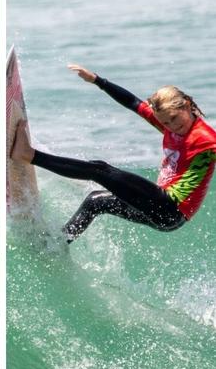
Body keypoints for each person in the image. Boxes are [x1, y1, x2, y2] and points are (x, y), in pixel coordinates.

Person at [11, 63, 216, 243]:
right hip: (163, 212)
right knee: (96, 202)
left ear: (187, 105)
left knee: (99, 170)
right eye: (165, 123)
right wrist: (97, 81)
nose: (171, 126)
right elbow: (133, 103)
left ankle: (29, 155)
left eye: (174, 119)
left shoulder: (205, 138)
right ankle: (59, 243)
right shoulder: (172, 124)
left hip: (171, 207)